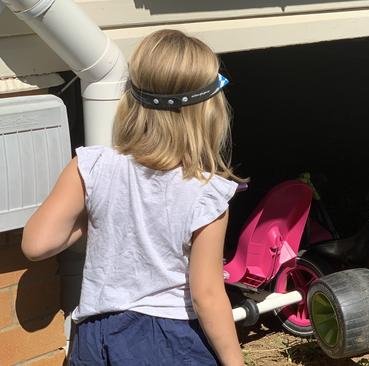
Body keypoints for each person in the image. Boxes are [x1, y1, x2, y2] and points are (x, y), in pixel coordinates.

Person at [21, 29, 245, 366]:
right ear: (208, 111)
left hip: (96, 338)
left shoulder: (90, 167)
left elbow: (35, 245)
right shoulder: (206, 194)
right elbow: (207, 296)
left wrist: (97, 212)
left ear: (131, 101)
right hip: (170, 341)